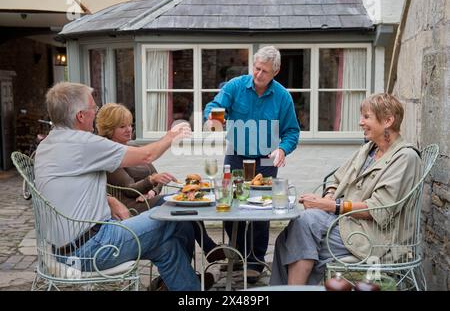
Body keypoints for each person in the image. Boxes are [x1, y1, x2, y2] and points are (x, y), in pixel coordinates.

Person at [34, 82, 199, 291]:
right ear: (80, 116)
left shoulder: (49, 144)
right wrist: (171, 136)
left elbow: (66, 186)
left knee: (168, 248)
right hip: (94, 248)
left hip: (65, 248)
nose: (96, 112)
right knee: (177, 214)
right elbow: (147, 155)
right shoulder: (83, 142)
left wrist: (109, 199)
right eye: (93, 108)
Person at [270, 93, 422, 285]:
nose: (360, 122)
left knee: (302, 228)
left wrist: (331, 205)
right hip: (346, 223)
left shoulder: (405, 158)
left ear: (388, 121)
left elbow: (380, 209)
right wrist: (329, 197)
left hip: (374, 236)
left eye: (366, 117)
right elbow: (336, 178)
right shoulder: (369, 150)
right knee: (289, 235)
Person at [203, 46, 300, 282]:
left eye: (265, 71)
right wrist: (215, 119)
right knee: (229, 206)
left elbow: (292, 132)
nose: (258, 74)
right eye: (257, 68)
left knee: (260, 210)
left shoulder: (282, 97)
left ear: (275, 71)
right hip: (236, 155)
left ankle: (255, 261)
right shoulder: (236, 86)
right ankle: (238, 256)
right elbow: (214, 106)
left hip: (266, 159)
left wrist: (282, 148)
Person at [95, 103, 226, 263]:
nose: (129, 129)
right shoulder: (109, 154)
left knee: (186, 207)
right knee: (183, 204)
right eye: (122, 126)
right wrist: (150, 181)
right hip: (132, 207)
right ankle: (207, 247)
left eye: (130, 125)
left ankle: (194, 262)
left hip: (149, 199)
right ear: (109, 129)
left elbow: (156, 176)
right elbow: (130, 189)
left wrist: (153, 190)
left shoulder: (134, 147)